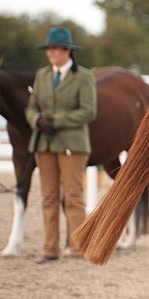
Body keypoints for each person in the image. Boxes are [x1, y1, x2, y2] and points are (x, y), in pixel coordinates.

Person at [25, 27, 97, 263]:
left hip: (72, 145)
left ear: (67, 51)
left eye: (56, 49)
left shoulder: (83, 76)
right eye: (50, 49)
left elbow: (88, 111)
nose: (52, 53)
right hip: (44, 144)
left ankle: (77, 248)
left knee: (74, 196)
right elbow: (31, 107)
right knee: (48, 197)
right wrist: (37, 120)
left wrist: (57, 120)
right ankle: (50, 249)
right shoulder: (42, 75)